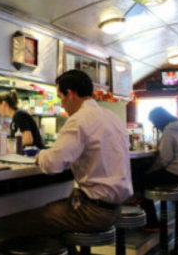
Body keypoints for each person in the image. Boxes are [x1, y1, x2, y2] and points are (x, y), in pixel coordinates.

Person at [9, 70, 133, 236]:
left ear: (70, 94)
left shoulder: (79, 119)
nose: (62, 104)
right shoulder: (112, 117)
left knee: (21, 223)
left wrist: (41, 156)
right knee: (52, 213)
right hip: (115, 209)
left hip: (93, 212)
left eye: (60, 97)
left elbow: (53, 164)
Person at [140, 107, 178, 231]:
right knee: (145, 179)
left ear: (159, 121)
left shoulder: (169, 132)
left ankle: (152, 222)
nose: (154, 125)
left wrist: (150, 171)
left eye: (154, 122)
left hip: (175, 172)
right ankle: (141, 200)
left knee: (142, 181)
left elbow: (164, 159)